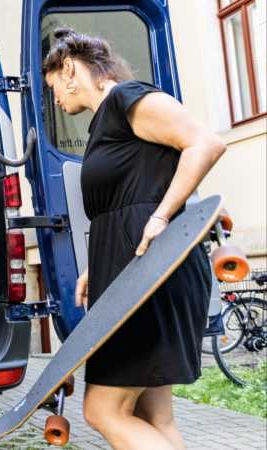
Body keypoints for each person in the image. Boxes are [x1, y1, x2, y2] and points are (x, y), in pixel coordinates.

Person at [43, 28, 226, 450]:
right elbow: (125, 199)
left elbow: (205, 143)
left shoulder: (128, 98)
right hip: (131, 270)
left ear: (69, 68)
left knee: (102, 410)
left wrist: (162, 216)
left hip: (150, 275)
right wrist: (95, 264)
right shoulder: (104, 123)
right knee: (153, 416)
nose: (54, 99)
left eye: (53, 85)